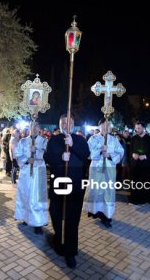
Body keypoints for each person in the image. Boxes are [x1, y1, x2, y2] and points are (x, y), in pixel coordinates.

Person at [44, 114, 90, 269]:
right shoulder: (54, 139)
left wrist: (72, 145)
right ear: (60, 124)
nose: (65, 124)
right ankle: (58, 240)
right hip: (58, 183)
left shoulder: (80, 140)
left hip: (75, 185)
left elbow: (85, 155)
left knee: (71, 218)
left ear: (73, 124)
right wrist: (60, 157)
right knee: (55, 212)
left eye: (68, 122)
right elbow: (48, 157)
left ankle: (70, 251)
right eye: (63, 122)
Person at [86, 120, 124, 228]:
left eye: (108, 126)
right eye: (104, 126)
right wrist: (99, 151)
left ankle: (107, 215)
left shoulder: (114, 140)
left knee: (108, 192)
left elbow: (120, 152)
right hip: (96, 169)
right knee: (96, 190)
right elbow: (88, 153)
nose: (106, 128)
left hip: (109, 169)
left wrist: (110, 155)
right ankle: (96, 211)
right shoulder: (93, 138)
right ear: (100, 126)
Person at [14, 122, 48, 234]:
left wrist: (37, 151)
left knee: (37, 196)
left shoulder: (44, 141)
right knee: (26, 194)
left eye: (37, 126)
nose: (34, 129)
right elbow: (17, 154)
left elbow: (47, 155)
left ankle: (38, 222)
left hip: (38, 171)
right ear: (30, 128)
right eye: (32, 126)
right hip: (26, 172)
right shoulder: (23, 141)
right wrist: (27, 160)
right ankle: (25, 216)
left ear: (39, 128)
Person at [129, 122, 150, 205]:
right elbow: (130, 150)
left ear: (143, 128)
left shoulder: (149, 139)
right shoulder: (133, 139)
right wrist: (133, 154)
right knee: (135, 183)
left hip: (146, 166)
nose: (137, 130)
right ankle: (135, 199)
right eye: (136, 128)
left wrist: (145, 156)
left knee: (145, 183)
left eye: (139, 128)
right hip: (135, 165)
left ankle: (145, 199)